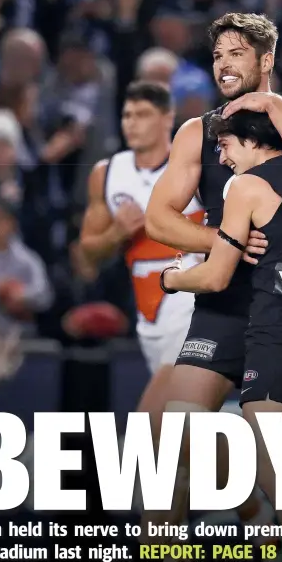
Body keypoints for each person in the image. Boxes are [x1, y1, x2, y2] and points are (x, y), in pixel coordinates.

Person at [142, 12, 282, 562]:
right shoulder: (195, 131)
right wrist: (222, 240)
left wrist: (278, 110)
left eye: (237, 53)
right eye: (217, 55)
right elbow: (159, 218)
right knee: (172, 432)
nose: (225, 64)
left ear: (266, 61)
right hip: (226, 302)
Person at [79, 80, 203, 432]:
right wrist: (118, 232)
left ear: (168, 118)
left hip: (190, 299)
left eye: (143, 115)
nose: (132, 123)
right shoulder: (107, 173)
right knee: (185, 436)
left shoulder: (193, 165)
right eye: (127, 115)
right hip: (146, 308)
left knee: (150, 426)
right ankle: (250, 484)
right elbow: (87, 253)